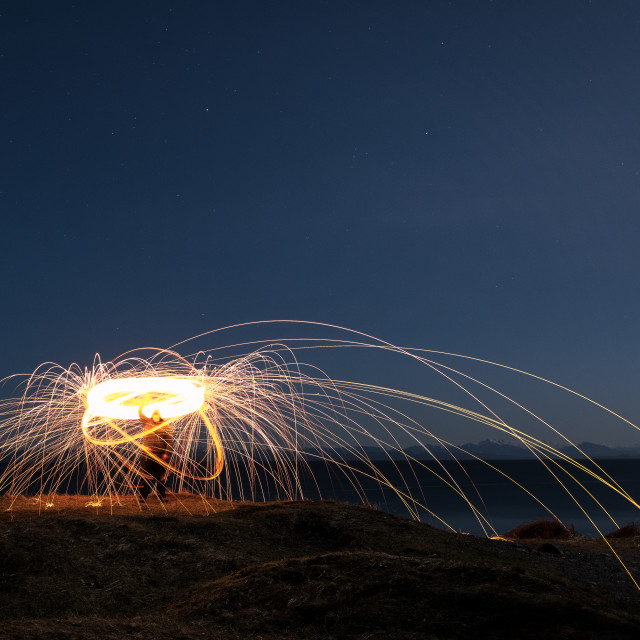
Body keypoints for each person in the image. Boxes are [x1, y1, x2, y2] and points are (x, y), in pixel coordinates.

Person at [137, 405, 173, 502]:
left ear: (160, 416)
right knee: (145, 477)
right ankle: (143, 497)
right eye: (154, 415)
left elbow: (169, 441)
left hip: (159, 455)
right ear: (152, 416)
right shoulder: (147, 422)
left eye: (157, 415)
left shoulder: (166, 426)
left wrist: (166, 453)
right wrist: (143, 402)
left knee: (160, 477)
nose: (156, 416)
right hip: (147, 456)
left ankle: (162, 496)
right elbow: (140, 413)